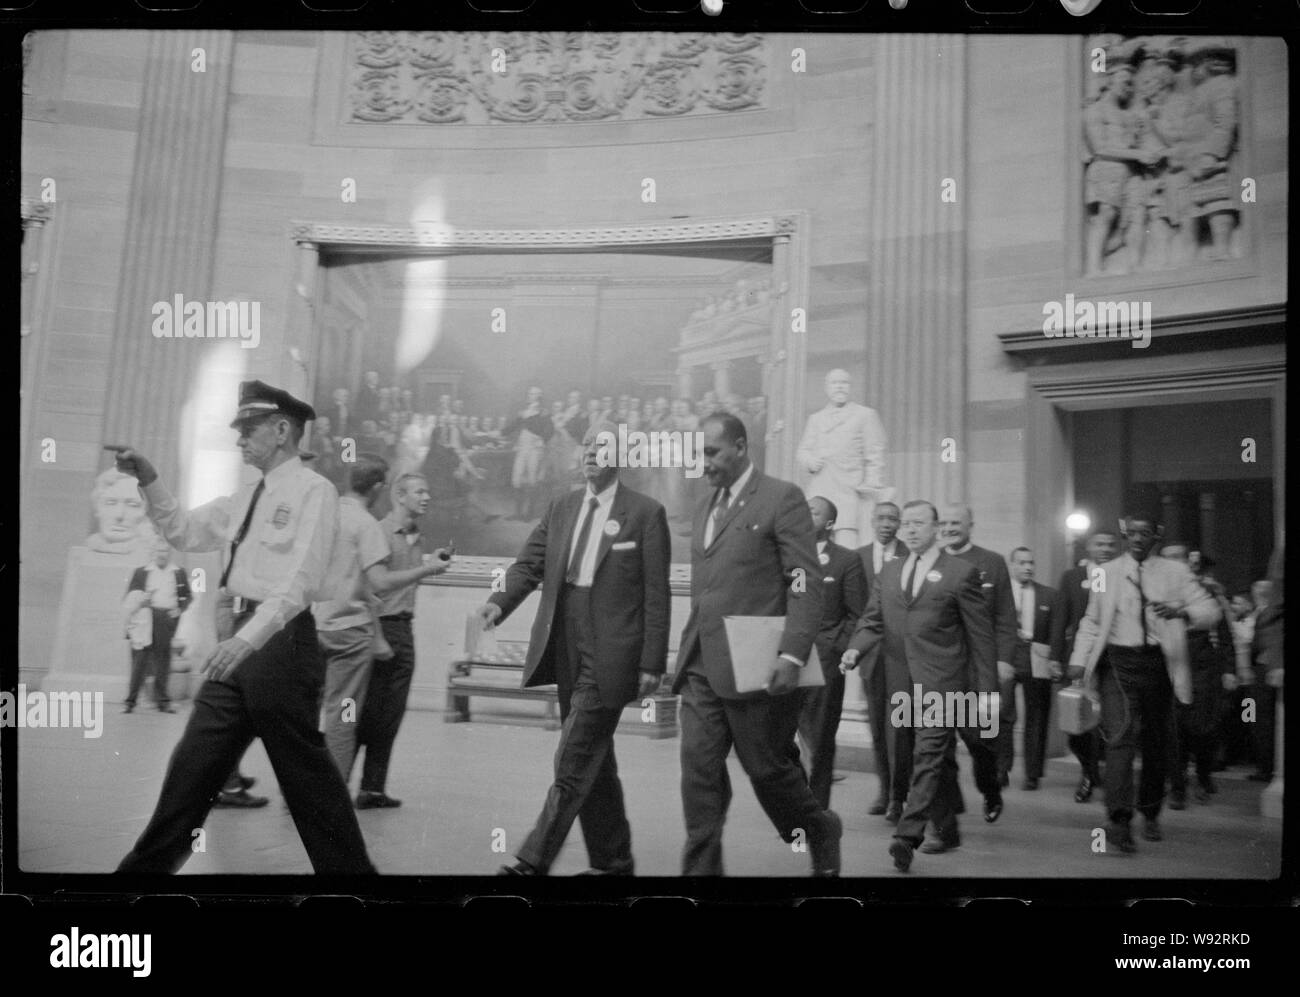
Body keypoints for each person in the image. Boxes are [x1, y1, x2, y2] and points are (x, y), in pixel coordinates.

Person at [112, 380, 375, 874]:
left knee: (308, 784)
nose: (239, 439)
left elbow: (300, 580)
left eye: (248, 429)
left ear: (281, 430)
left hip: (279, 648)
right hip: (235, 645)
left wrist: (246, 638)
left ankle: (357, 885)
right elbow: (184, 530)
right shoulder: (244, 495)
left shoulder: (314, 492)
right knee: (190, 774)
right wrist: (149, 479)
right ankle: (134, 881)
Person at [482, 421, 671, 876]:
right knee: (594, 758)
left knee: (574, 753)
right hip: (564, 637)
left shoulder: (645, 513)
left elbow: (655, 594)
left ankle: (533, 861)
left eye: (602, 446)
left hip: (613, 648)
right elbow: (529, 564)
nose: (591, 452)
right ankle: (615, 863)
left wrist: (652, 663)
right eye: (587, 444)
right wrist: (496, 602)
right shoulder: (563, 507)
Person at [673, 412, 840, 877]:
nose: (703, 463)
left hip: (756, 666)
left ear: (741, 447)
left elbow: (804, 582)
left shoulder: (781, 497)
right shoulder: (705, 508)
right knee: (699, 775)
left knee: (767, 770)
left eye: (711, 452)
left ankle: (818, 828)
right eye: (698, 454)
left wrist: (792, 652)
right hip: (702, 665)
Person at [840, 500, 997, 872]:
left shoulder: (960, 573)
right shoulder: (890, 572)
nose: (908, 530)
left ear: (936, 528)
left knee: (930, 752)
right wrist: (854, 651)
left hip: (943, 682)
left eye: (917, 523)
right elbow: (872, 620)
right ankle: (948, 827)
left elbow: (981, 636)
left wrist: (988, 692)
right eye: (905, 524)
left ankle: (907, 836)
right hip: (901, 682)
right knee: (928, 757)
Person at [1067, 512, 1220, 853]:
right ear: (1125, 534)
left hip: (1158, 666)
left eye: (1144, 532)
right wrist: (1078, 660)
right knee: (1118, 739)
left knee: (1155, 744)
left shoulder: (1176, 572)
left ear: (1157, 535)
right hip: (1118, 665)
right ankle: (1118, 821)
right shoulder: (1104, 573)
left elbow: (1211, 611)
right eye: (1131, 532)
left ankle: (1150, 813)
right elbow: (1092, 620)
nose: (1136, 538)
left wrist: (1183, 612)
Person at [353, 472, 451, 809]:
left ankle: (373, 790)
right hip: (378, 629)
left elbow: (401, 582)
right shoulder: (379, 532)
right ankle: (332, 788)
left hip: (402, 629)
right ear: (399, 495)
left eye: (428, 492)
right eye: (419, 492)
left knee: (391, 713)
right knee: (363, 714)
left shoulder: (414, 536)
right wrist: (427, 571)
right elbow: (379, 584)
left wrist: (427, 563)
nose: (426, 498)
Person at [938, 503, 1014, 824]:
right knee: (938, 745)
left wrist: (1003, 660)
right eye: (945, 522)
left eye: (957, 522)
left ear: (971, 525)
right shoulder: (933, 562)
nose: (950, 527)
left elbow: (1005, 617)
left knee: (982, 741)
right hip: (941, 667)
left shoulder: (992, 563)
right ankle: (947, 813)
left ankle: (991, 789)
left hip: (979, 669)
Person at [796, 497, 866, 810]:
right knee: (783, 737)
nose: (805, 513)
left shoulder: (846, 560)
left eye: (814, 511)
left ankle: (817, 812)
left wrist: (835, 649)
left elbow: (856, 614)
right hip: (788, 658)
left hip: (824, 662)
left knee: (821, 739)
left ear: (829, 523)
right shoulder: (789, 555)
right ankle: (795, 805)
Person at [1057, 528, 1119, 802]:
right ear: (1088, 547)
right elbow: (1061, 619)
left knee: (1108, 721)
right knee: (1077, 723)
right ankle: (1088, 770)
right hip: (1080, 661)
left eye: (1110, 545)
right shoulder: (1072, 578)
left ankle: (1101, 774)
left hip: (1115, 659)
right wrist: (1055, 659)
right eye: (1100, 544)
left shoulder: (1121, 575)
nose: (1105, 549)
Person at [854, 500, 906, 819]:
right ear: (873, 521)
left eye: (893, 519)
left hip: (903, 655)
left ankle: (901, 795)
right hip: (871, 656)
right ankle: (884, 790)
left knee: (899, 727)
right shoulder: (857, 557)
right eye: (882, 518)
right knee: (876, 726)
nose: (887, 523)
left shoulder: (909, 555)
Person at [795, 369, 887, 548]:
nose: (839, 387)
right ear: (826, 388)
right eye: (834, 383)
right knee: (816, 541)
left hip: (850, 489)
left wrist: (871, 484)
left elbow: (875, 453)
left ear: (850, 387)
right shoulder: (816, 419)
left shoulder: (865, 415)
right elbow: (803, 450)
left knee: (847, 541)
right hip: (821, 488)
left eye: (844, 383)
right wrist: (810, 461)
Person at [1003, 547, 1067, 790]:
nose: (1027, 567)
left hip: (1037, 655)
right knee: (1002, 713)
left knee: (1037, 716)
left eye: (1031, 562)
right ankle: (1002, 767)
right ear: (1012, 565)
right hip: (1007, 656)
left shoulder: (1049, 595)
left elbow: (1057, 632)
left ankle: (1032, 773)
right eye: (1021, 562)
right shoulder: (1000, 594)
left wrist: (1055, 659)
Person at [122, 537, 192, 714]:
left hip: (166, 618)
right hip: (145, 617)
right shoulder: (141, 572)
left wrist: (179, 609)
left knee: (163, 661)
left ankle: (163, 702)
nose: (162, 554)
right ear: (152, 553)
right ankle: (130, 701)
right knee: (140, 661)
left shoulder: (178, 572)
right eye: (158, 551)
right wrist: (141, 600)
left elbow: (187, 596)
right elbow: (130, 597)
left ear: (169, 553)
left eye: (165, 551)